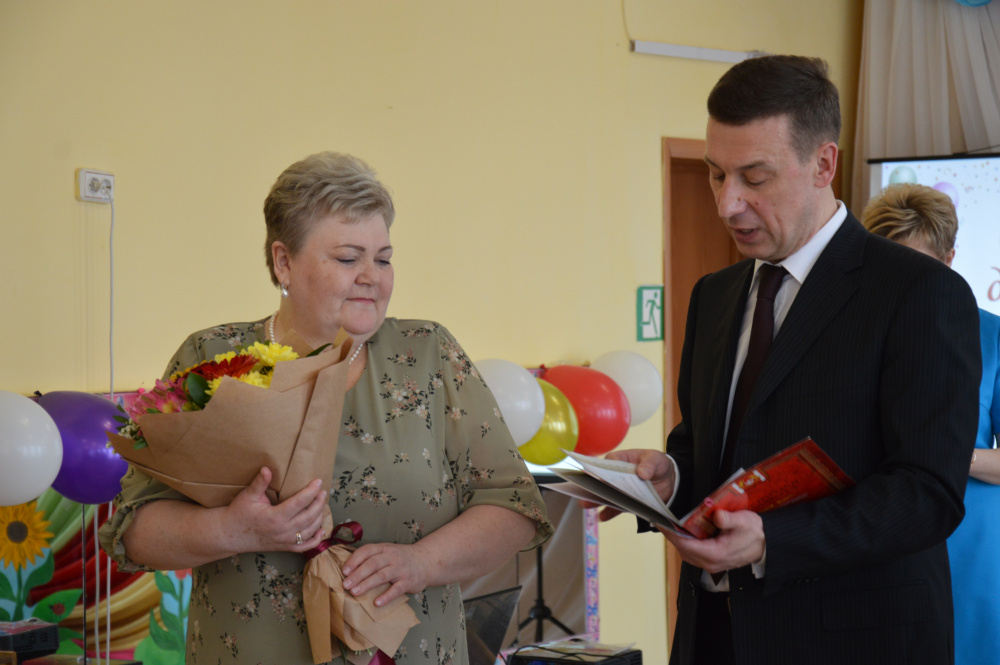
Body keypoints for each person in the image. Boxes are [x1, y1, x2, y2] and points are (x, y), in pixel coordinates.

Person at [99, 151, 553, 665]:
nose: (372, 276)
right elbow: (134, 530)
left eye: (383, 259)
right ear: (283, 262)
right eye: (348, 259)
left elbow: (516, 507)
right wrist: (234, 529)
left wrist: (421, 563)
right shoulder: (213, 358)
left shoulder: (430, 354)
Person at [605, 56, 981, 665]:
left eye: (754, 178)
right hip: (713, 637)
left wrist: (770, 541)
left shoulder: (918, 292)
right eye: (716, 175)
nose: (727, 205)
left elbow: (928, 493)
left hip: (852, 642)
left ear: (823, 165)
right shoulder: (713, 295)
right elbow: (709, 451)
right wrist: (670, 478)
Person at [861, 182, 1000, 665]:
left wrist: (946, 454)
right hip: (875, 537)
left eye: (917, 267)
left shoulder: (992, 336)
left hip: (970, 547)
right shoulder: (850, 335)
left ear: (949, 261)